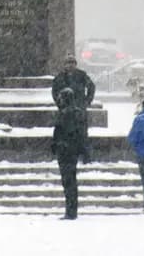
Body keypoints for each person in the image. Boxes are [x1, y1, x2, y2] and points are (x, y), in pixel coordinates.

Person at [50, 87, 90, 219]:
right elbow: (83, 134)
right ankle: (72, 210)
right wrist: (84, 150)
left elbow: (59, 133)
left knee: (68, 182)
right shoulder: (78, 113)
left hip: (65, 151)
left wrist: (56, 145)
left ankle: (70, 211)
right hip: (72, 151)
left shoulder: (64, 114)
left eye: (61, 97)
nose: (59, 100)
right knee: (71, 181)